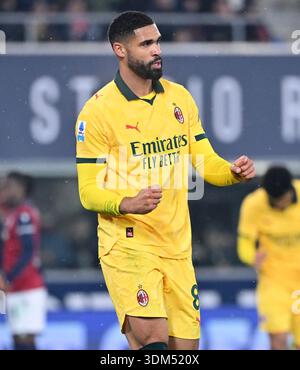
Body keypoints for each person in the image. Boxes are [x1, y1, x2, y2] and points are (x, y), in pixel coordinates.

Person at [75, 11, 255, 350]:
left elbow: (206, 162)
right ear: (120, 50)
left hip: (177, 248)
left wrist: (231, 173)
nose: (157, 50)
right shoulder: (97, 112)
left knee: (183, 353)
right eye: (146, 44)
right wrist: (126, 203)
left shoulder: (179, 98)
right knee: (153, 345)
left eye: (157, 41)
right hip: (128, 244)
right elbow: (87, 192)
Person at [238, 166, 300, 350]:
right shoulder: (253, 204)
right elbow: (244, 242)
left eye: (283, 199)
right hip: (273, 282)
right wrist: (251, 257)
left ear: (291, 190)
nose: (280, 205)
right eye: (275, 201)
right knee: (278, 338)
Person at [0, 172, 46, 350]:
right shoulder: (13, 214)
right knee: (18, 338)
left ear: (21, 189)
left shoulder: (25, 215)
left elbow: (28, 252)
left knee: (26, 339)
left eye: (9, 186)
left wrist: (8, 278)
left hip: (28, 287)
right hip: (15, 288)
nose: (6, 190)